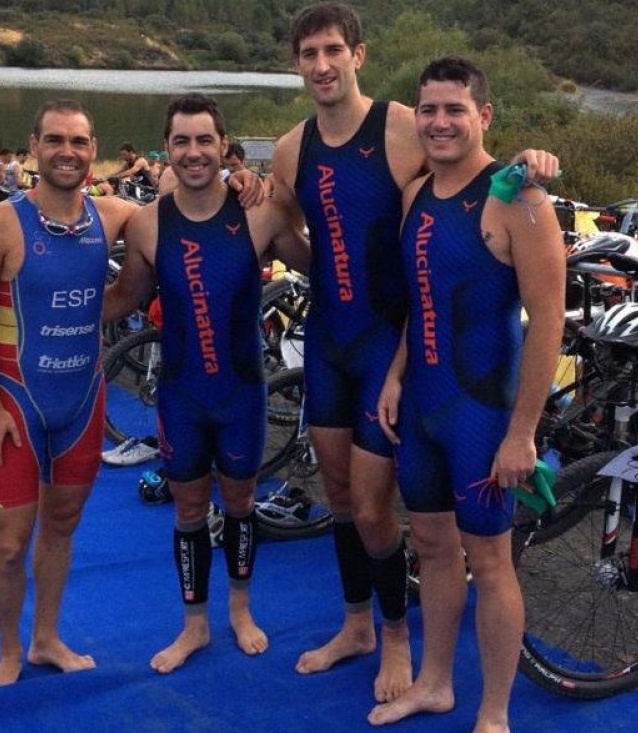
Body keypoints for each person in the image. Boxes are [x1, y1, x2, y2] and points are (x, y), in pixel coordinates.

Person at [265, 2, 559, 706]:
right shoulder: (301, 154)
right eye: (308, 53)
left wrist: (531, 162)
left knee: (425, 530)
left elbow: (536, 297)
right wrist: (256, 206)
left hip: (435, 374)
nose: (322, 65)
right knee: (373, 515)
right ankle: (384, 645)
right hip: (360, 354)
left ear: (358, 55)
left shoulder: (417, 136)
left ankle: (448, 678)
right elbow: (317, 241)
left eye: (334, 49)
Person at [370, 56, 565, 730]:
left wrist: (522, 431)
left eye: (455, 109)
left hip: (482, 415)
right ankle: (434, 683)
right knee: (428, 544)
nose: (440, 121)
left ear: (483, 116)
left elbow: (547, 322)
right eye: (429, 109)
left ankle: (495, 711)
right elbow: (420, 302)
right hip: (422, 405)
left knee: (490, 557)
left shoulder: (520, 200)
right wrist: (396, 374)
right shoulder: (413, 194)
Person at [103, 92, 311, 675]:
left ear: (223, 146)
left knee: (241, 503)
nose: (194, 153)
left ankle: (240, 611)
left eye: (204, 141)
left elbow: (323, 263)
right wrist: (50, 309)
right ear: (166, 148)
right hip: (182, 395)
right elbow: (125, 298)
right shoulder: (148, 225)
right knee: (189, 509)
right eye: (181, 141)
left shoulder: (260, 214)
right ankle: (194, 625)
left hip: (242, 393)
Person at [0, 99, 143, 689]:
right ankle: (9, 650)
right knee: (11, 544)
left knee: (62, 523)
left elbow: (183, 213)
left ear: (95, 150)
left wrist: (238, 181)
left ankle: (46, 639)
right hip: (15, 401)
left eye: (80, 142)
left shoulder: (112, 215)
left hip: (82, 401)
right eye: (56, 140)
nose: (68, 152)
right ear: (34, 146)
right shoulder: (0, 223)